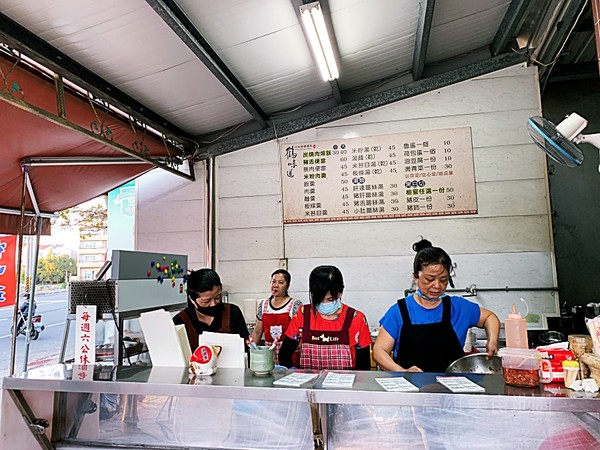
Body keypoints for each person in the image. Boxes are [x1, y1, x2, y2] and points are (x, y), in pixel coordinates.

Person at [373, 238, 500, 373]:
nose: (437, 286)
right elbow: (379, 351)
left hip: (451, 389)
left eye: (443, 280)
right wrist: (402, 372)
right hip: (410, 389)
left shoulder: (457, 307)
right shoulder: (400, 311)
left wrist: (492, 341)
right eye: (430, 279)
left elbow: (489, 317)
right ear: (415, 276)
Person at [278, 265, 372, 370]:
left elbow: (364, 367)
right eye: (319, 299)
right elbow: (284, 356)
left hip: (345, 385)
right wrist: (295, 374)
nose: (324, 303)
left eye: (330, 299)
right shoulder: (302, 315)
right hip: (309, 385)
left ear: (340, 293)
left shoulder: (356, 319)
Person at [173, 268, 249, 351]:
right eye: (206, 301)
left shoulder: (233, 312)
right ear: (192, 299)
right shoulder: (180, 321)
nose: (213, 304)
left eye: (217, 297)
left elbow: (246, 346)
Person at [251, 269, 303, 365]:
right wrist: (253, 352)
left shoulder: (294, 305)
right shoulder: (263, 305)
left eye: (280, 282)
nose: (275, 285)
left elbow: (299, 334)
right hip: (269, 356)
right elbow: (257, 332)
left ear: (287, 286)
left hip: (289, 356)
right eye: (273, 281)